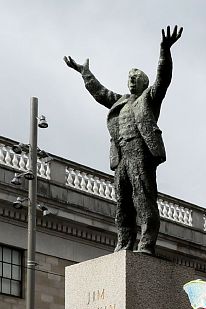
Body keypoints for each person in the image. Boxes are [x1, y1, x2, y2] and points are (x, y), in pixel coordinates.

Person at [63, 26, 182, 254]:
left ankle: (146, 243)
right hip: (122, 156)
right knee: (123, 203)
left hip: (140, 153)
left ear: (144, 83)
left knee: (144, 199)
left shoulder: (149, 98)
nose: (131, 81)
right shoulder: (121, 101)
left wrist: (164, 51)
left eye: (136, 79)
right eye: (129, 78)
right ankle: (124, 242)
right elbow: (101, 93)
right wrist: (84, 73)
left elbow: (163, 78)